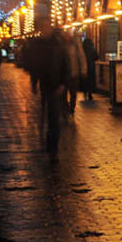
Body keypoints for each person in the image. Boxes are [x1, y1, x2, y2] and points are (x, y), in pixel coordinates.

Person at [38, 30, 69, 160]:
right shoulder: (53, 47)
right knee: (52, 116)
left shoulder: (58, 47)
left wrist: (62, 83)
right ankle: (51, 145)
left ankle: (52, 147)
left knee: (53, 116)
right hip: (49, 84)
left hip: (54, 85)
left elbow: (66, 66)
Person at [63, 31, 87, 116]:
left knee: (73, 93)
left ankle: (72, 109)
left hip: (74, 73)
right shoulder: (61, 46)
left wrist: (83, 70)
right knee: (63, 94)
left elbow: (81, 57)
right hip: (64, 75)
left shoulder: (76, 46)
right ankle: (65, 108)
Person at [81, 35, 98, 101]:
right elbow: (96, 57)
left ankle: (85, 93)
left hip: (84, 67)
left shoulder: (82, 49)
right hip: (91, 67)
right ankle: (90, 94)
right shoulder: (92, 48)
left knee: (85, 81)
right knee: (91, 80)